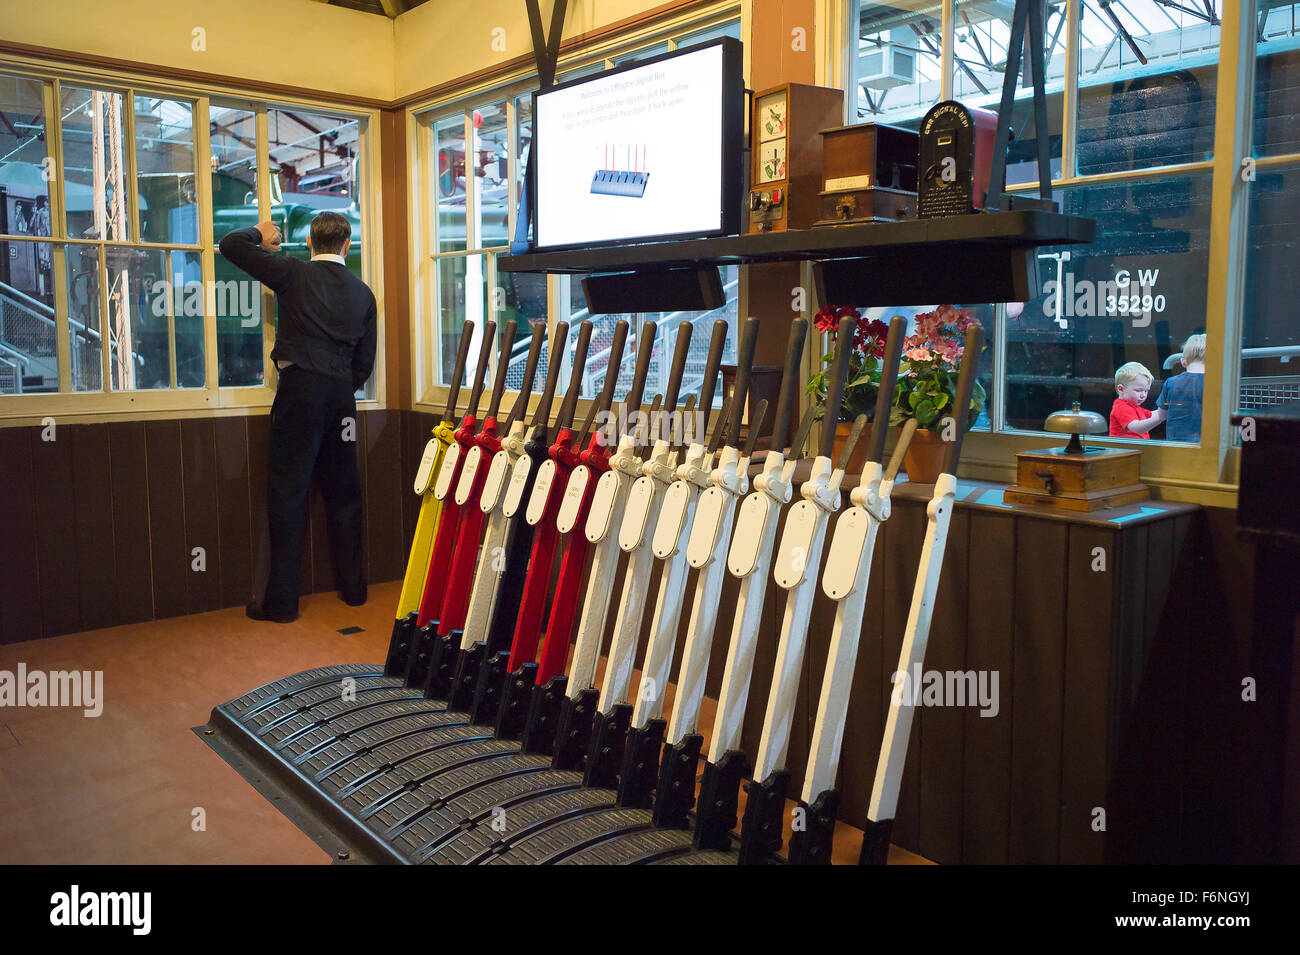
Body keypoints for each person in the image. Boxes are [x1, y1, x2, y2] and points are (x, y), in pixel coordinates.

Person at [219, 213, 376, 623]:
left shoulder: (293, 273)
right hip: (342, 397)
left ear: (309, 243)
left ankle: (283, 603)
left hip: (300, 391)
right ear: (346, 245)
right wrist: (340, 384)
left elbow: (231, 245)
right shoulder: (363, 294)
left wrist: (261, 234)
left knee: (288, 493)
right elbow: (365, 363)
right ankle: (354, 590)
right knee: (345, 493)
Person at [1157, 333, 1205, 443]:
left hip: (1176, 446)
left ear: (1183, 362)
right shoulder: (1216, 384)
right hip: (1206, 446)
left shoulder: (1171, 383)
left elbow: (1161, 415)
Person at [1109, 360, 1165, 439]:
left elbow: (1152, 415)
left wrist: (1166, 410)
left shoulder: (1134, 407)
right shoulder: (1121, 408)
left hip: (1135, 449)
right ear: (1121, 389)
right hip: (1123, 450)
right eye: (1138, 390)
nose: (1143, 395)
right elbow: (1137, 428)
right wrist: (1160, 417)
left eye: (1146, 391)